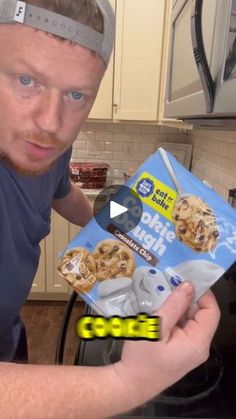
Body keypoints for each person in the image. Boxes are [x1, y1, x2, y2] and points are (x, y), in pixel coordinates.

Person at [0, 0, 220, 417]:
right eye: (26, 80)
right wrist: (124, 382)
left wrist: (126, 230)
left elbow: (64, 195)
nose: (51, 122)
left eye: (77, 94)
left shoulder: (46, 151)